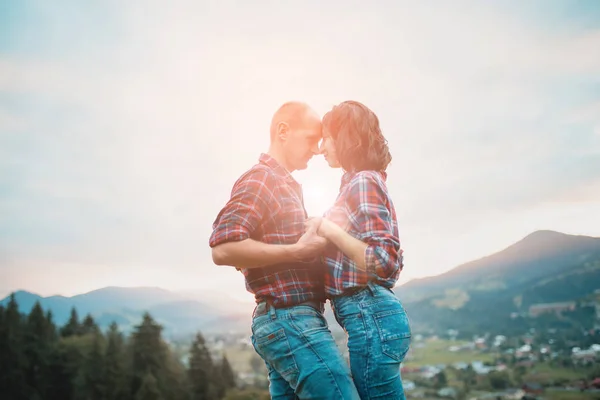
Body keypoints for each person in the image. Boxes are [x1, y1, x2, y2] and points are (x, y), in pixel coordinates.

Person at [209, 101, 360, 400]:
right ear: (282, 131)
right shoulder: (262, 178)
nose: (317, 149)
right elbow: (223, 248)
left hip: (291, 320)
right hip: (289, 320)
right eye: (310, 138)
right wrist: (296, 252)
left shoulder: (285, 185)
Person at [307, 100, 412, 399]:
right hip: (371, 318)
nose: (320, 147)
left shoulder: (364, 181)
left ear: (345, 138)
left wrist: (328, 229)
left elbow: (384, 260)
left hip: (371, 316)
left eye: (326, 137)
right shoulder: (355, 183)